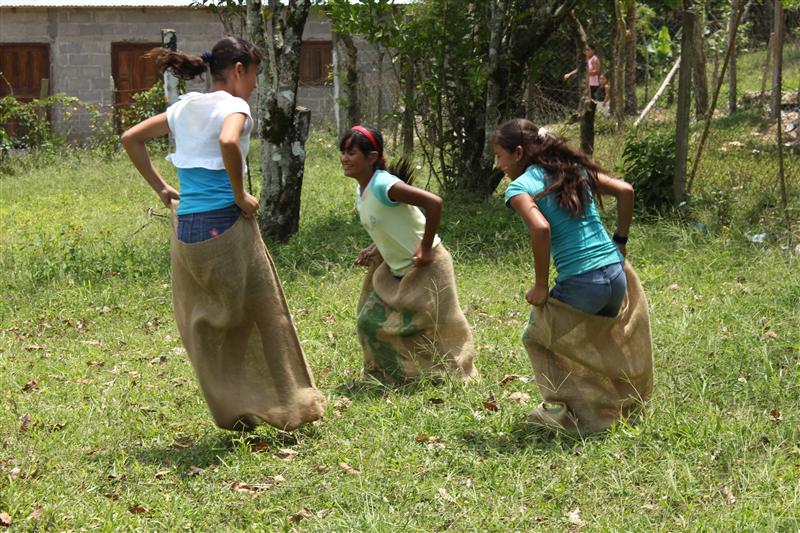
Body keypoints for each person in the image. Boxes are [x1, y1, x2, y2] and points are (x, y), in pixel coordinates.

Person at [121, 37, 325, 431]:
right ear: (238, 70)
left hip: (187, 233)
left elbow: (131, 138)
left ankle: (238, 406)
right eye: (254, 76)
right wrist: (239, 194)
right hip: (224, 225)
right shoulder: (235, 107)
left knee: (220, 320)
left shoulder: (184, 107)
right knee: (261, 315)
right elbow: (229, 140)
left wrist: (162, 188)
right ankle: (287, 404)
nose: (254, 85)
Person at [493, 118, 653, 434]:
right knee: (598, 341)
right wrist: (620, 240)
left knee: (536, 338)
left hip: (583, 283)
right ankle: (620, 407)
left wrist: (541, 285)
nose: (499, 165)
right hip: (616, 276)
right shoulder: (572, 170)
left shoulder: (520, 187)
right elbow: (625, 190)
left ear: (519, 152)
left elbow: (540, 229)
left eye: (500, 156)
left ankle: (571, 414)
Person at [340, 125, 477, 384]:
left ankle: (453, 377)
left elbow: (434, 202)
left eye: (351, 153)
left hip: (429, 266)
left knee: (438, 329)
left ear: (371, 157)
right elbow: (390, 225)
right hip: (397, 270)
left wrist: (425, 247)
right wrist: (374, 248)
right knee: (369, 321)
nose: (344, 158)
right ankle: (392, 375)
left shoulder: (384, 184)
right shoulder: (361, 190)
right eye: (343, 152)